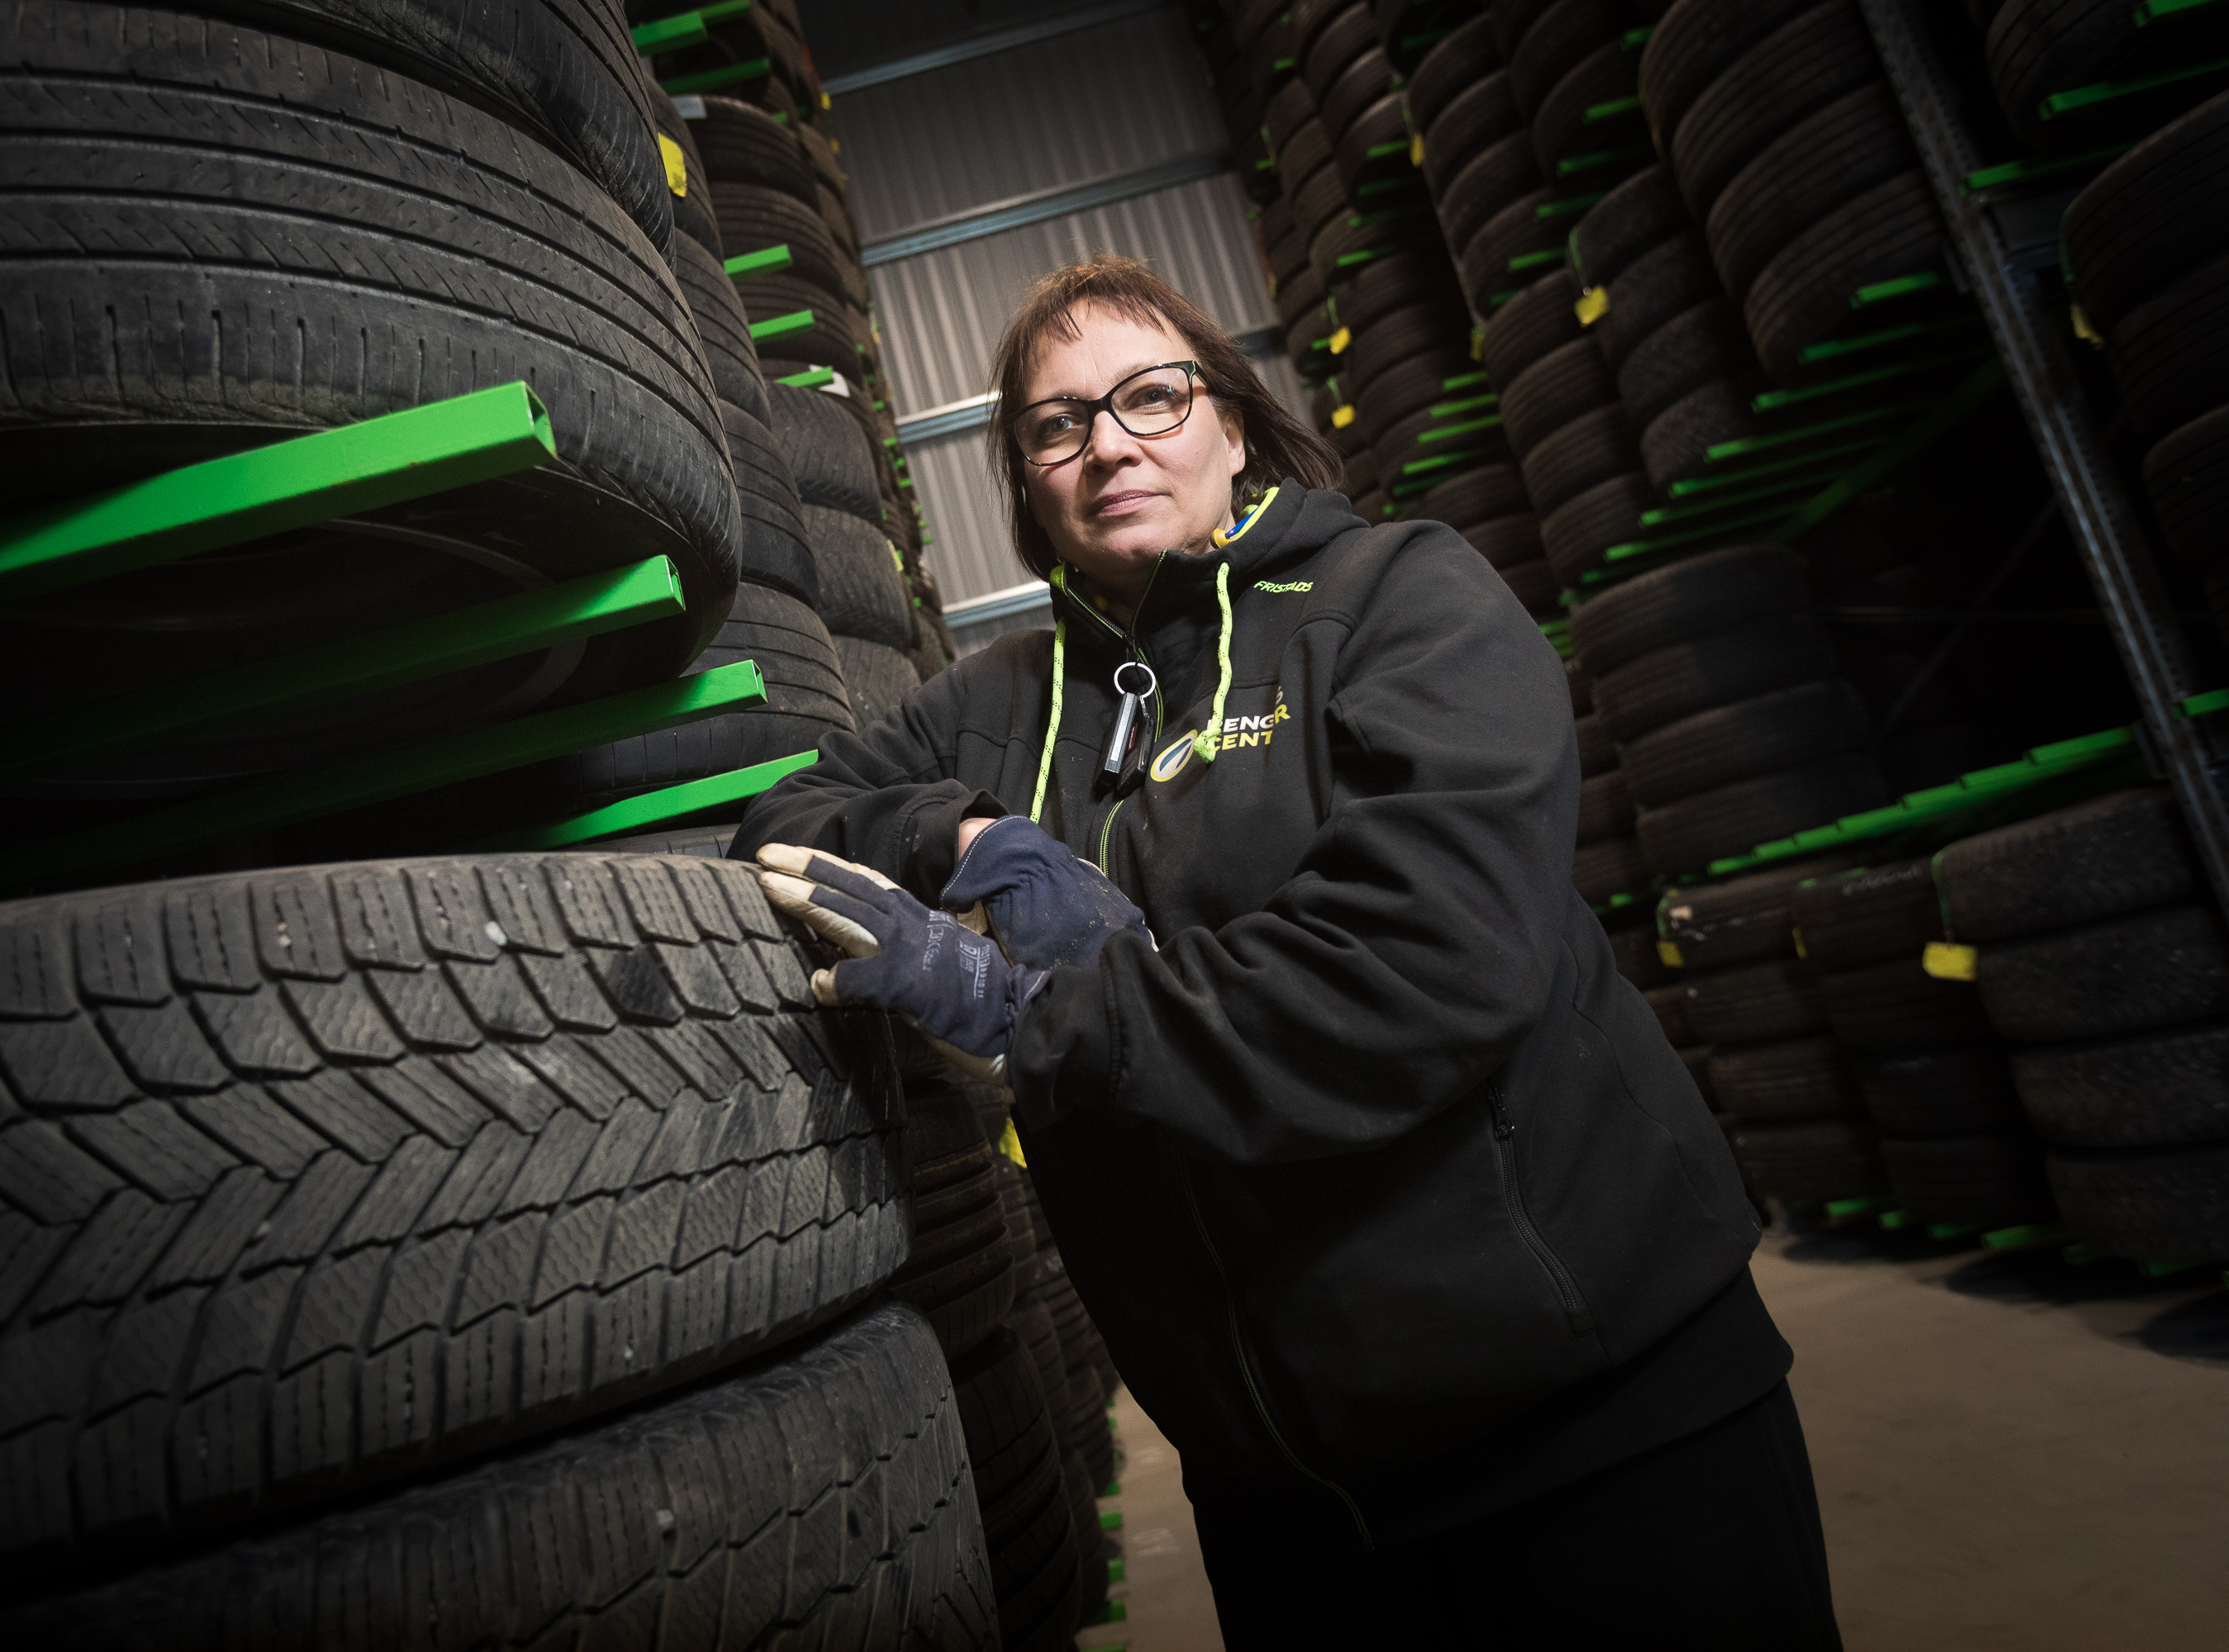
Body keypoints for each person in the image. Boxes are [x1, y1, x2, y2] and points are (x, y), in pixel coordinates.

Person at [734, 255, 1838, 1646]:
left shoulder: (1396, 599)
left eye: (1150, 396)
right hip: (1281, 1499)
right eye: (1057, 425)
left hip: (1594, 1426)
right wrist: (968, 835)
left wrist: (1031, 1013)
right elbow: (779, 817)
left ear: (1234, 423)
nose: (1108, 445)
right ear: (1026, 479)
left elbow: (1419, 972)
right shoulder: (995, 706)